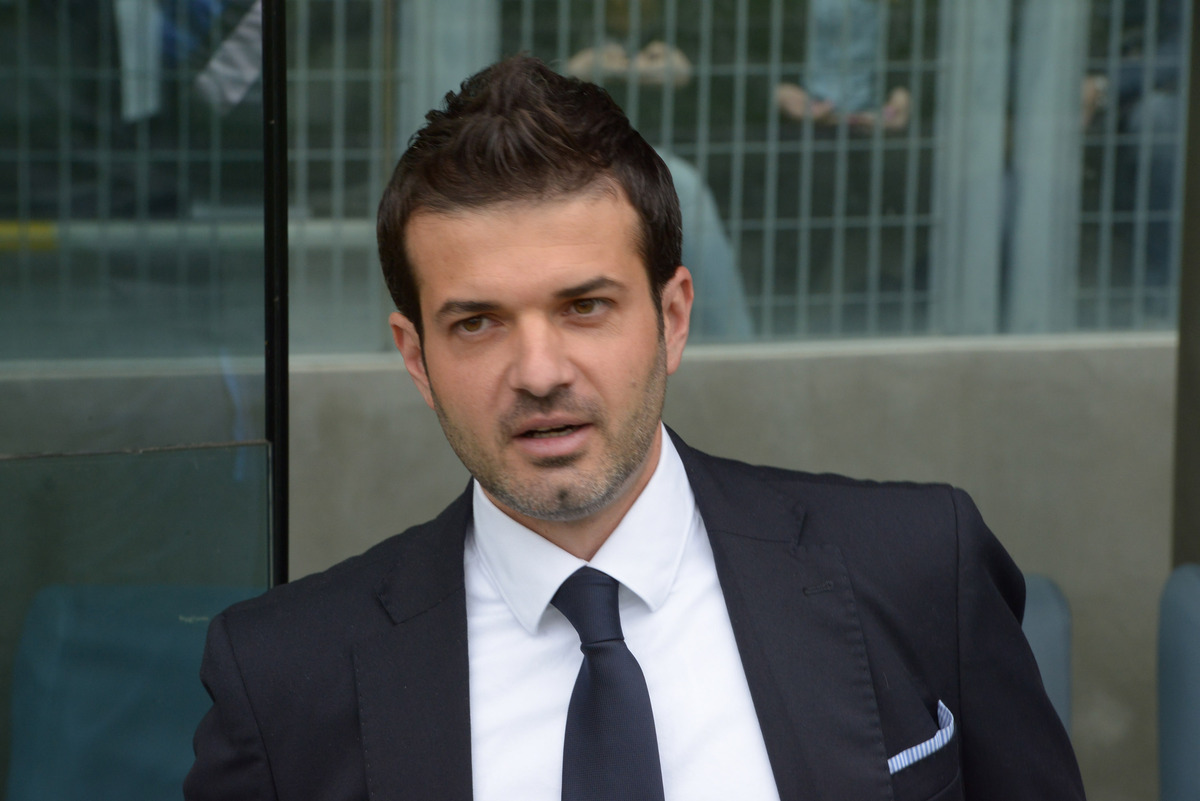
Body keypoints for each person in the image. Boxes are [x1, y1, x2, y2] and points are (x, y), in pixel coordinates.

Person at [185, 55, 1086, 800]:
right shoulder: (284, 679)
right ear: (415, 357)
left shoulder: (918, 564)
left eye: (584, 306)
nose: (539, 372)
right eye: (477, 323)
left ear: (675, 316)